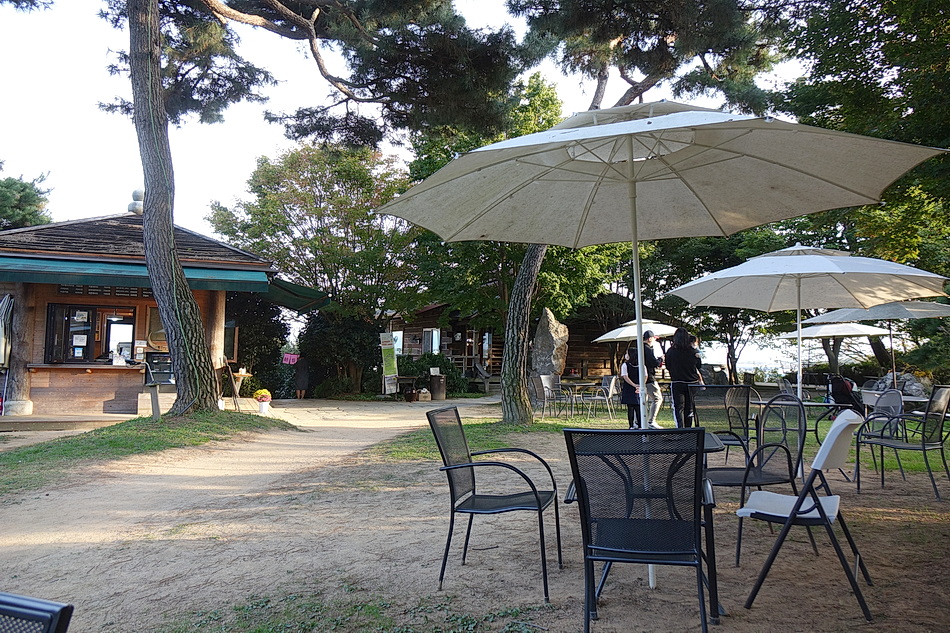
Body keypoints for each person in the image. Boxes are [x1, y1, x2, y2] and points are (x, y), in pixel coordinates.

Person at [665, 327, 704, 428]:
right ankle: (688, 428)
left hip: (677, 382)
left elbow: (668, 366)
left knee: (679, 407)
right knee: (689, 408)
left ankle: (680, 429)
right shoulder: (693, 352)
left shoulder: (670, 352)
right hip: (692, 382)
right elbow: (698, 366)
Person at [619, 349, 641, 428]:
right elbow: (645, 376)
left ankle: (635, 425)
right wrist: (639, 385)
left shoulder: (625, 365)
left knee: (634, 407)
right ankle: (635, 425)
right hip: (635, 387)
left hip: (631, 387)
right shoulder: (641, 365)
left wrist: (635, 385)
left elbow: (625, 376)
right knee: (635, 406)